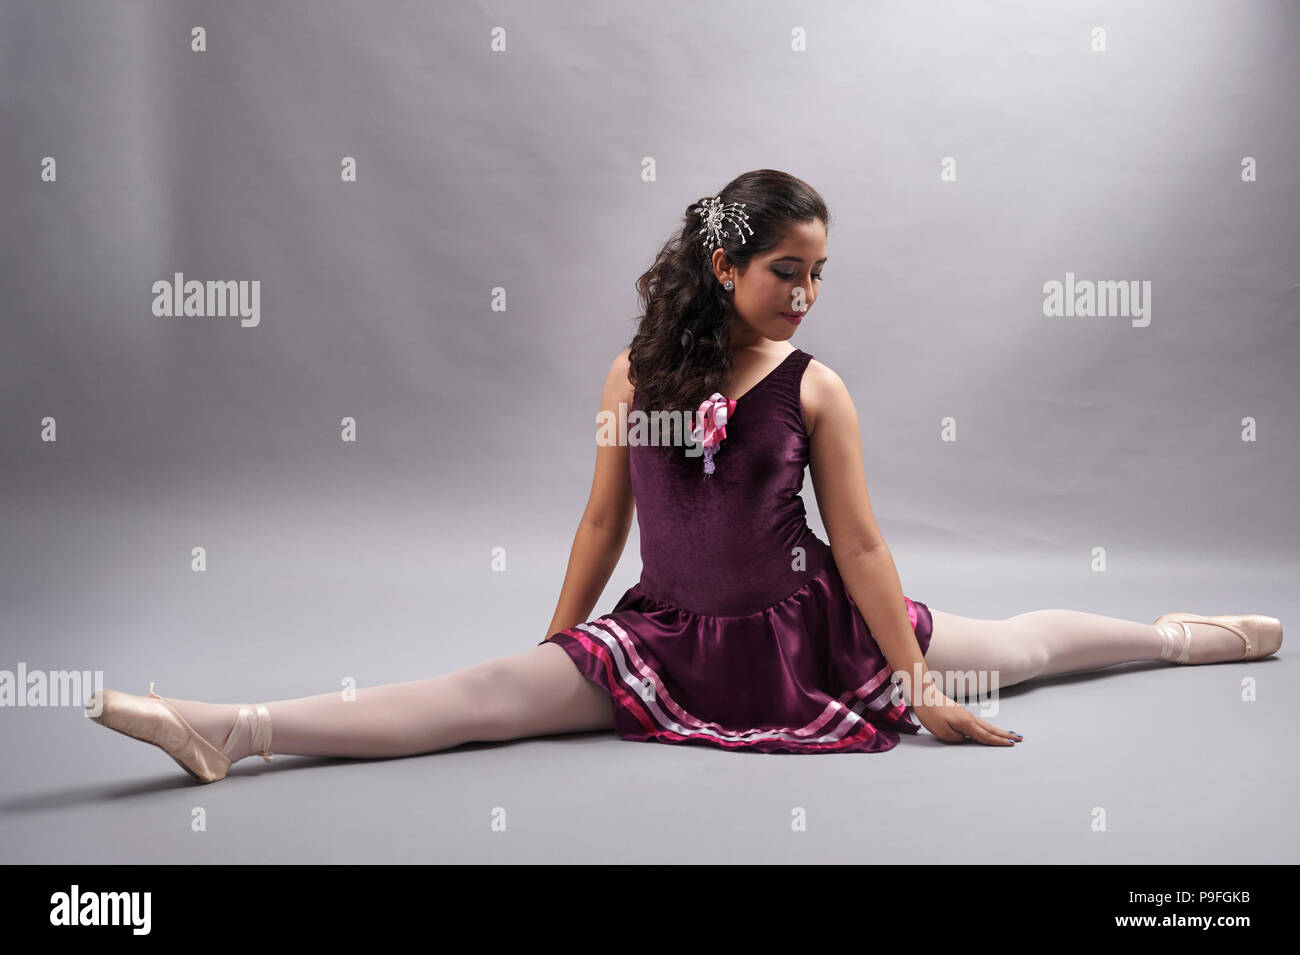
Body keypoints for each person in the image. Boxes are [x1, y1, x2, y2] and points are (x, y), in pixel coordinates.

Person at [85, 169, 1282, 783]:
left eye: (818, 272)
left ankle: (1188, 637)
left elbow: (860, 548)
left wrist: (911, 681)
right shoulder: (631, 375)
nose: (805, 294)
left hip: (813, 635)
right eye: (783, 270)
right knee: (465, 701)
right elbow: (602, 521)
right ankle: (226, 729)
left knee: (1022, 649)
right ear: (722, 266)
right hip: (667, 638)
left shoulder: (815, 386)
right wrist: (553, 651)